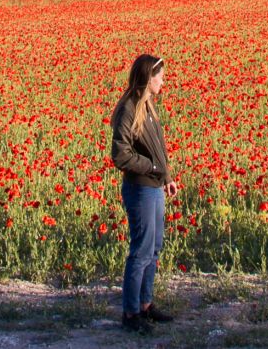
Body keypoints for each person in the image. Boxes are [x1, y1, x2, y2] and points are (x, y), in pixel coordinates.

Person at [110, 54, 174, 332]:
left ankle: (146, 305)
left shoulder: (147, 106)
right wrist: (150, 167)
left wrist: (166, 177)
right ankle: (130, 313)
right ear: (148, 78)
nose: (164, 81)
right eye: (160, 76)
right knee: (141, 251)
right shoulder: (128, 109)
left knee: (154, 248)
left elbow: (158, 147)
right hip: (140, 189)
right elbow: (120, 154)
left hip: (155, 187)